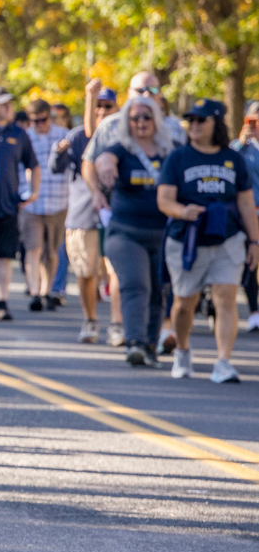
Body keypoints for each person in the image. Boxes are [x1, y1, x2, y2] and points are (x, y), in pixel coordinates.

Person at [157, 98, 258, 383]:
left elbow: (246, 204)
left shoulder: (233, 159)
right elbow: (164, 200)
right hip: (187, 239)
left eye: (201, 120)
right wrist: (182, 211)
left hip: (226, 238)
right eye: (191, 120)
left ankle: (224, 361)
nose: (195, 125)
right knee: (184, 302)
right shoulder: (178, 158)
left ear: (216, 124)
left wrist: (254, 241)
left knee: (226, 296)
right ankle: (183, 350)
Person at [93, 94, 175, 366]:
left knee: (157, 290)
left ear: (156, 120)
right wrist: (105, 166)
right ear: (127, 122)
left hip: (162, 233)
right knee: (136, 284)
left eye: (147, 117)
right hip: (126, 231)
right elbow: (102, 158)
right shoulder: (121, 149)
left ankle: (150, 344)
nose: (141, 122)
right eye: (135, 117)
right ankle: (135, 342)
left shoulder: (169, 151)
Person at [51, 83, 123, 343]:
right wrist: (90, 96)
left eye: (107, 106)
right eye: (98, 106)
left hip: (117, 211)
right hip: (84, 212)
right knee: (85, 272)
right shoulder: (77, 135)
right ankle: (90, 320)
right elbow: (56, 166)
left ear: (117, 109)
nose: (102, 111)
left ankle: (117, 324)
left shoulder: (125, 135)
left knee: (117, 271)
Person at [0, 86, 39, 321]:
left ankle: (2, 301)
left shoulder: (19, 133)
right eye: (3, 104)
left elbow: (33, 164)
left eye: (9, 104)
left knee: (4, 255)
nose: (8, 108)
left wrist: (33, 192)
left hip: (8, 204)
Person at [21, 97, 69, 311]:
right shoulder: (25, 137)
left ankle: (47, 290)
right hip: (32, 203)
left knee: (51, 252)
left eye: (42, 119)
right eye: (34, 121)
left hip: (58, 201)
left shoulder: (62, 135)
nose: (39, 124)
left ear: (49, 117)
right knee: (33, 249)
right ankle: (34, 292)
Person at [235, 101, 259, 331]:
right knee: (251, 260)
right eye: (253, 120)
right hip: (250, 212)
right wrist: (242, 142)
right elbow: (228, 162)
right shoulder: (242, 148)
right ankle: (254, 310)